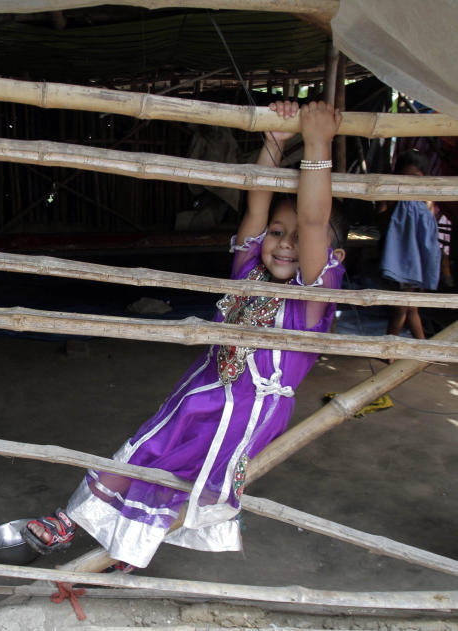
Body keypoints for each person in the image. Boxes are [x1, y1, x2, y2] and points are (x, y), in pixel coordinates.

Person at [24, 101, 347, 569]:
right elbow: (256, 201)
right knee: (145, 448)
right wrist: (273, 144)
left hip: (248, 408)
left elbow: (315, 221)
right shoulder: (247, 271)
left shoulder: (312, 298)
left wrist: (318, 144)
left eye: (299, 238)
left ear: (327, 254)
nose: (285, 243)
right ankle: (77, 522)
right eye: (278, 233)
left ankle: (123, 545)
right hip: (202, 386)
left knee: (181, 471)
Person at [379, 149, 439, 340]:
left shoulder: (427, 200)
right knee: (406, 307)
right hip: (397, 258)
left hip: (417, 262)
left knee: (404, 308)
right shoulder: (392, 196)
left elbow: (428, 233)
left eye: (414, 178)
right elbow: (380, 219)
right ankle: (419, 349)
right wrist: (396, 209)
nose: (408, 183)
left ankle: (394, 349)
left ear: (423, 178)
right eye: (403, 177)